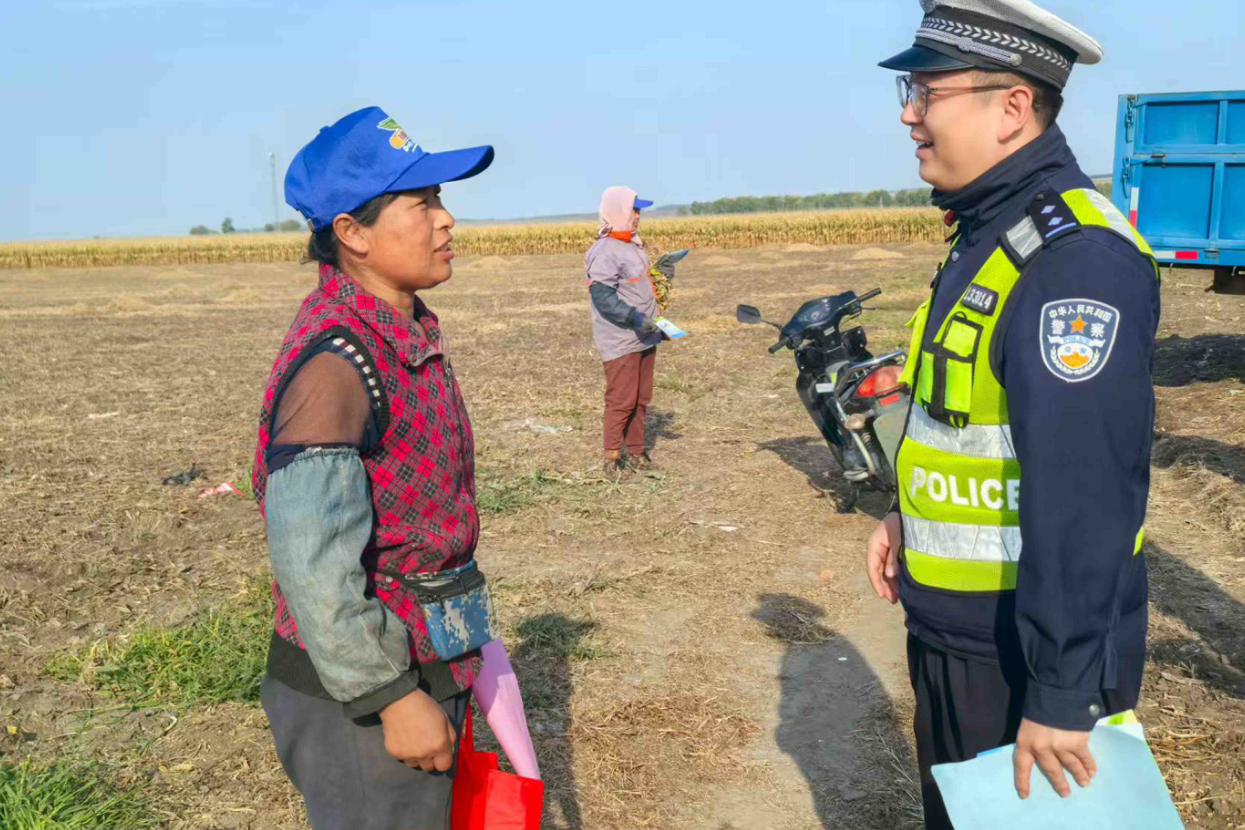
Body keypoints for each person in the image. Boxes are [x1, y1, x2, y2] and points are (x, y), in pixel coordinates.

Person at [862, 2, 1161, 827]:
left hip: (1024, 661)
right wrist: (908, 514)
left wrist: (1062, 693)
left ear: (1012, 108)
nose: (908, 115)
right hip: (963, 636)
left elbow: (1086, 490)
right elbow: (964, 420)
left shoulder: (1074, 262)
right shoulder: (990, 232)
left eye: (927, 93)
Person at [250, 106, 498, 830]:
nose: (445, 219)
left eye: (440, 198)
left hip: (421, 661)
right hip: (364, 699)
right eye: (421, 204)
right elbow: (312, 560)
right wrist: (389, 697)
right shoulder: (337, 364)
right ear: (352, 233)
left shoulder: (401, 332)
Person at [585, 185, 664, 478]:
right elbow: (603, 298)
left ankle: (636, 452)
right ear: (617, 211)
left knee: (641, 398)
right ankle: (611, 458)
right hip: (621, 338)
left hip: (645, 334)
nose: (638, 216)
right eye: (633, 210)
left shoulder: (632, 244)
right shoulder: (604, 250)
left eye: (639, 211)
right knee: (621, 400)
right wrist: (634, 318)